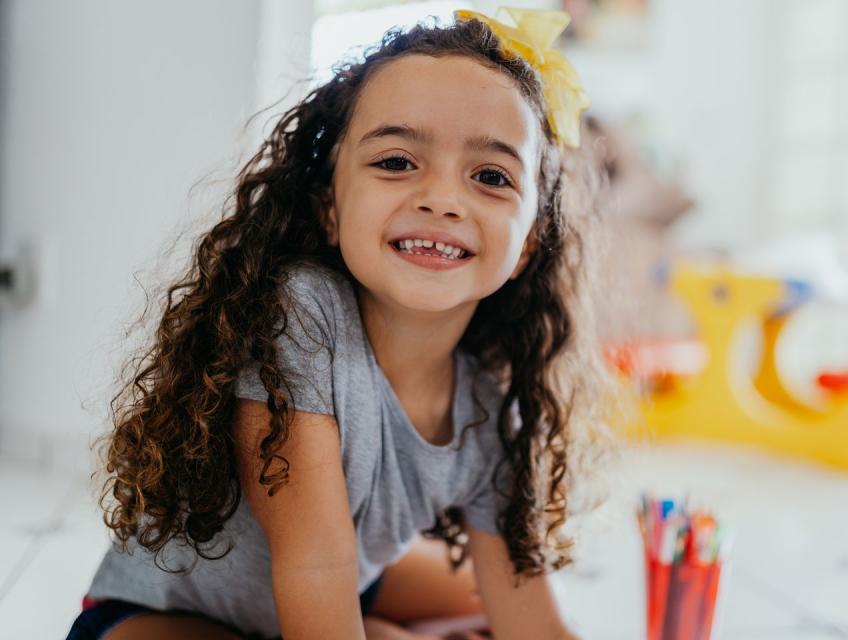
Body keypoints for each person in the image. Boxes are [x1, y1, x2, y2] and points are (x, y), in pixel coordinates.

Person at [67, 6, 616, 640]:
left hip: (340, 589)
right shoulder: (302, 313)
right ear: (330, 207)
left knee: (496, 591)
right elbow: (315, 567)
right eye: (395, 162)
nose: (441, 198)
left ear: (527, 246)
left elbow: (535, 624)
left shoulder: (491, 408)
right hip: (161, 618)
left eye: (490, 176)